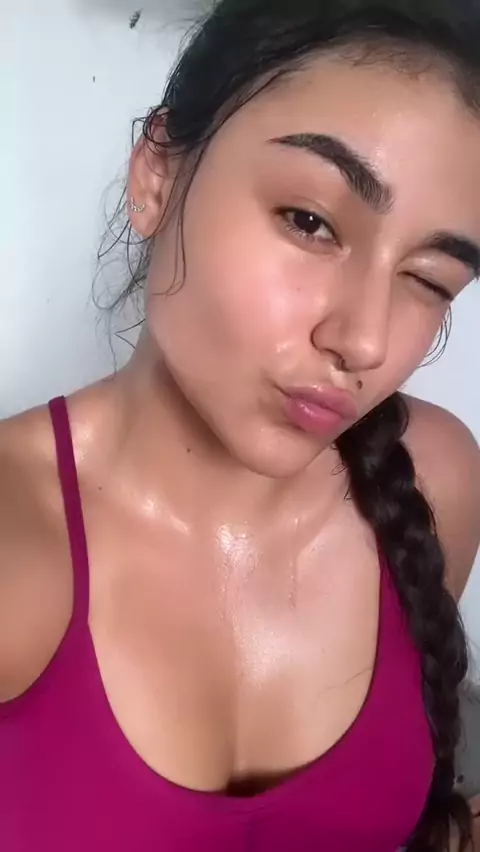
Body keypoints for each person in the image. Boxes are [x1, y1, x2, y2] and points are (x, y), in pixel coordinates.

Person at [1, 0, 480, 849]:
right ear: (156, 177)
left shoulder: (437, 477)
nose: (364, 341)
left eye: (429, 279)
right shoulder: (17, 547)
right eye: (310, 221)